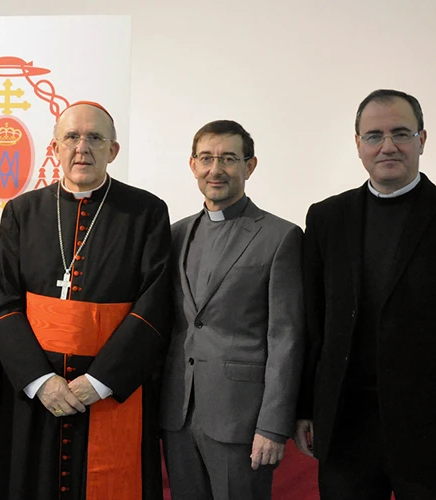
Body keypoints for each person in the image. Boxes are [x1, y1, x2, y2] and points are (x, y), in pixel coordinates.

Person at [295, 89, 436, 499]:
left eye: (401, 133)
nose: (388, 146)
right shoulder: (326, 217)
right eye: (374, 136)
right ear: (358, 144)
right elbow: (316, 323)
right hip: (346, 433)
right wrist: (307, 409)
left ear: (422, 140)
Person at [0, 101, 172, 500]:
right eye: (71, 137)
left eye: (94, 138)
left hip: (109, 387)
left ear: (113, 151)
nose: (81, 148)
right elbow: (4, 305)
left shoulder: (146, 212)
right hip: (40, 389)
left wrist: (100, 381)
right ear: (55, 148)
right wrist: (41, 382)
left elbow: (154, 306)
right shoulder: (22, 211)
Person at [160, 120, 304, 499]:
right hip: (179, 414)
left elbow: (286, 337)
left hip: (242, 421)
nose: (216, 169)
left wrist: (273, 426)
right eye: (206, 158)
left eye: (228, 158)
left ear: (249, 166)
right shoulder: (174, 234)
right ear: (192, 165)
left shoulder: (280, 236)